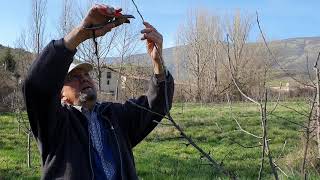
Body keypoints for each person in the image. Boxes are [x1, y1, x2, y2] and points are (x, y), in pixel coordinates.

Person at [23, 4, 174, 180]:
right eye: (73, 77)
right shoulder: (55, 124)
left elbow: (154, 106)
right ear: (60, 94)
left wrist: (158, 64)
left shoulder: (114, 116)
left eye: (86, 74)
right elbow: (37, 85)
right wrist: (80, 33)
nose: (84, 78)